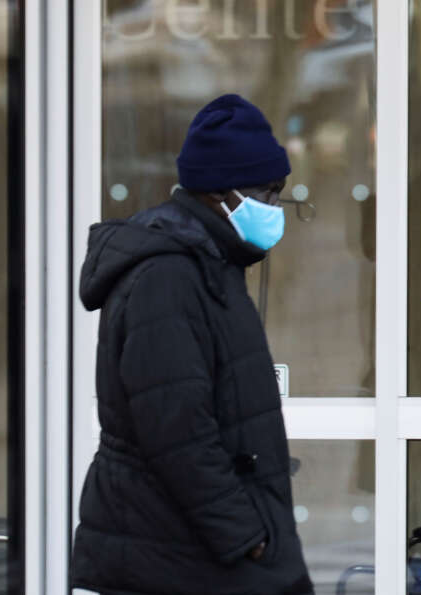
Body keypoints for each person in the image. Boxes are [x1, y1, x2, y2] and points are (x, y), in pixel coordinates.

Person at [71, 94, 313, 595]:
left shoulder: (208, 263)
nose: (274, 207)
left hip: (185, 550)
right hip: (171, 553)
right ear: (219, 194)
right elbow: (176, 428)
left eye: (279, 192)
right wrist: (245, 535)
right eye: (266, 193)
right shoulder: (168, 277)